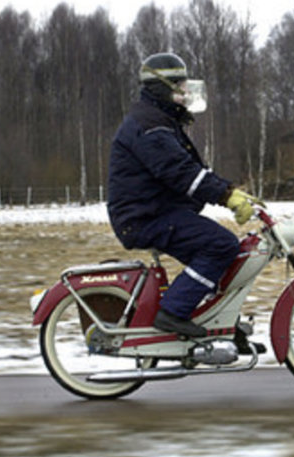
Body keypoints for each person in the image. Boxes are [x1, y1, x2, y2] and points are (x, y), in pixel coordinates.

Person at [107, 52, 257, 338]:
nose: (187, 91)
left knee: (220, 257)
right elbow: (182, 173)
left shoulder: (159, 120)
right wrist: (227, 196)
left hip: (154, 212)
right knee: (222, 245)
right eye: (181, 85)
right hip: (144, 217)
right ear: (163, 87)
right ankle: (172, 313)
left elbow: (191, 170)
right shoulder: (150, 126)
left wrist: (230, 191)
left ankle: (214, 320)